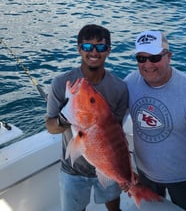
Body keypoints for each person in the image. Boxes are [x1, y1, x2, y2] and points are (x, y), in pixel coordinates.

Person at [123, 30, 186, 211]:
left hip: (185, 178)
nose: (148, 64)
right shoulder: (130, 83)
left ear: (169, 57)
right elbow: (114, 125)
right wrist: (124, 171)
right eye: (141, 59)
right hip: (145, 174)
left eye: (155, 57)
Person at [45, 24, 128, 211]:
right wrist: (65, 119)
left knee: (114, 207)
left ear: (108, 51)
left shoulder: (120, 88)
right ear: (79, 49)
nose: (94, 52)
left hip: (107, 165)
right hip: (72, 169)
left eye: (100, 47)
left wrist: (124, 173)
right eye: (88, 46)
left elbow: (116, 134)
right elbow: (50, 126)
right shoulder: (60, 83)